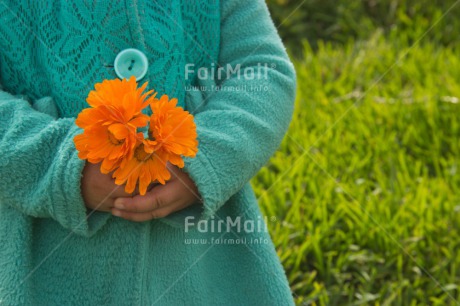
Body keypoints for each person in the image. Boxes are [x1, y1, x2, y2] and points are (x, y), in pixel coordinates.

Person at [0, 0, 296, 304]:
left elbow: (262, 70)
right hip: (40, 265)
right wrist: (59, 163)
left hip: (205, 265)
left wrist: (202, 157)